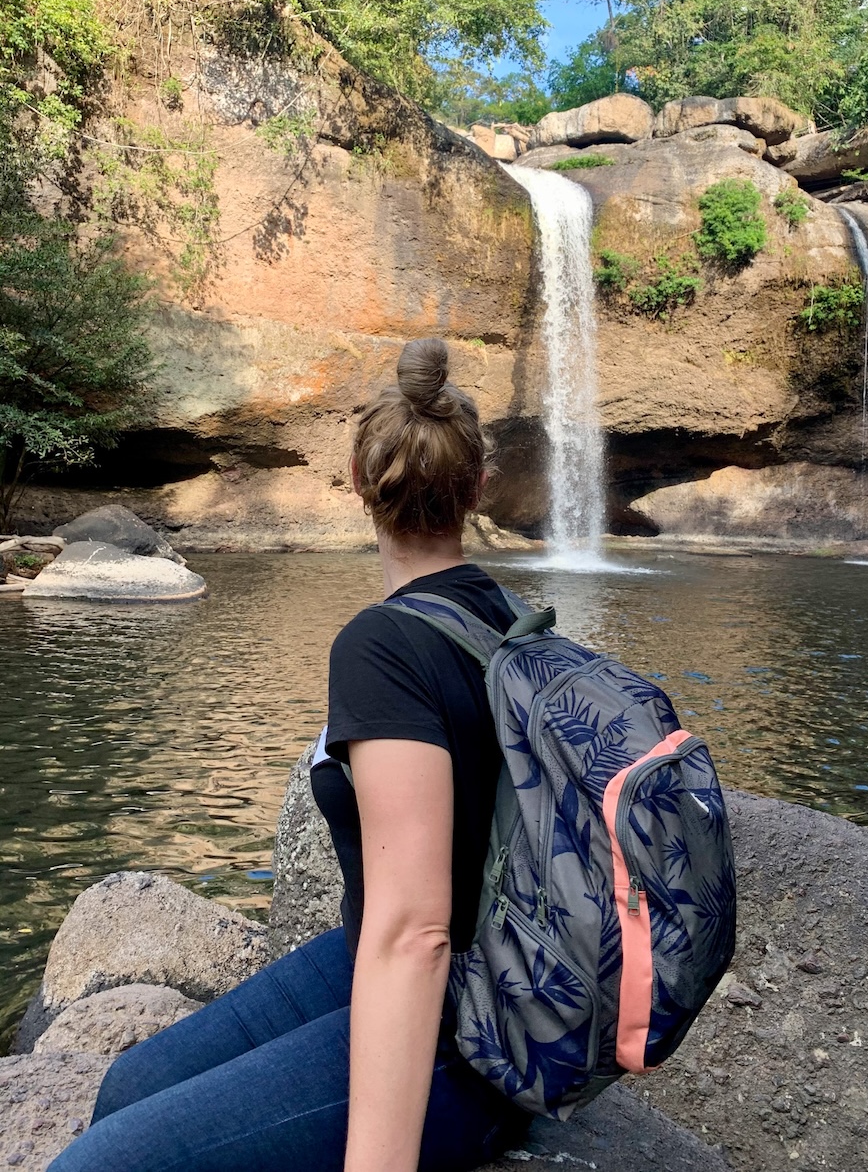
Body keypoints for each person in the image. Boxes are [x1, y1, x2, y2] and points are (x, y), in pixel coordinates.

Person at [50, 338, 532, 1172]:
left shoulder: (383, 646)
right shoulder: (507, 616)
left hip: (464, 1023)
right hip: (444, 963)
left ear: (355, 480)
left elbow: (416, 931)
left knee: (93, 1165)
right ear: (478, 487)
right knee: (130, 1084)